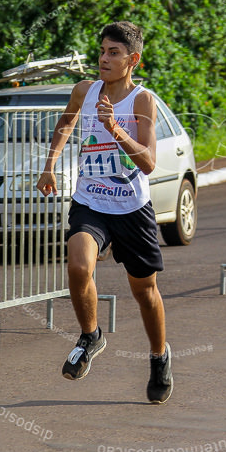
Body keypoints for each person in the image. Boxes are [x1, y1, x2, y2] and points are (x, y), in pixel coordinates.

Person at [37, 21, 173, 404]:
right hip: (90, 200)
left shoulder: (142, 100)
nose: (104, 59)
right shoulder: (86, 90)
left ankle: (159, 357)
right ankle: (90, 335)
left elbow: (147, 162)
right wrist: (50, 164)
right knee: (79, 265)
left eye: (113, 53)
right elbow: (67, 121)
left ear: (133, 59)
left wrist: (114, 127)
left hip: (131, 207)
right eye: (101, 51)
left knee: (145, 292)